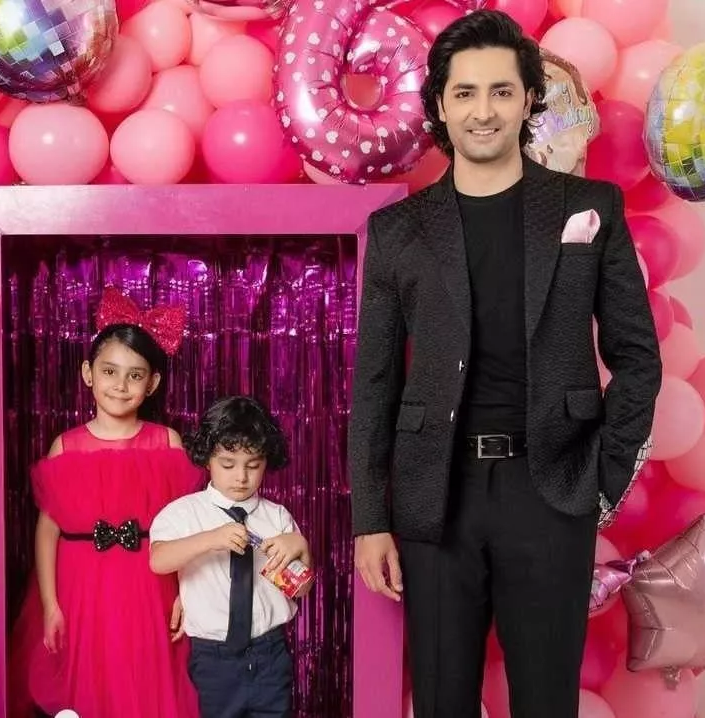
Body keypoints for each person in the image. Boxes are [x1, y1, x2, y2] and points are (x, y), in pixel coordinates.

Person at [348, 10, 661, 718]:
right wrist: (371, 519)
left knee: (546, 702)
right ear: (439, 105)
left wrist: (602, 479)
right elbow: (374, 383)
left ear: (527, 100)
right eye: (464, 93)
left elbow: (637, 358)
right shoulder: (397, 231)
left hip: (552, 490)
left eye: (500, 91)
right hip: (435, 496)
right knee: (442, 700)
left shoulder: (590, 207)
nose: (482, 111)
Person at [10, 287, 201, 718]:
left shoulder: (166, 443)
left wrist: (184, 594)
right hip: (81, 587)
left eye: (135, 375)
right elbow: (48, 531)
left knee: (146, 681)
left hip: (149, 585)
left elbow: (187, 527)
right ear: (88, 373)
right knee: (90, 683)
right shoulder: (67, 446)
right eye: (110, 371)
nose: (120, 385)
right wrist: (50, 604)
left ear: (152, 383)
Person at [151, 395, 313, 718]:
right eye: (228, 464)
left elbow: (300, 589)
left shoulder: (277, 517)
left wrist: (301, 548)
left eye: (253, 465)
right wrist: (210, 539)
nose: (241, 477)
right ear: (207, 459)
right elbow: (159, 559)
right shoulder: (184, 513)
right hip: (214, 659)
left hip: (270, 653)